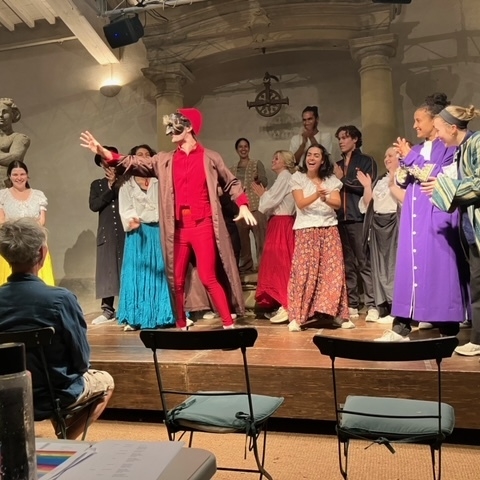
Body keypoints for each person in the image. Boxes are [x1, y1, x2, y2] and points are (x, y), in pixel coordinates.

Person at [81, 108, 257, 330]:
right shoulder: (164, 160)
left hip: (202, 226)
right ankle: (181, 326)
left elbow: (230, 182)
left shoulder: (209, 157)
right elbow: (134, 163)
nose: (168, 130)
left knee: (208, 276)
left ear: (189, 127)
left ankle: (228, 325)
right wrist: (106, 153)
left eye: (174, 125)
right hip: (178, 229)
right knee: (176, 279)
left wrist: (243, 205)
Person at [0, 218, 114, 439]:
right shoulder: (61, 299)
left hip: (7, 393)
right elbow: (81, 361)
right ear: (42, 254)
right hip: (54, 395)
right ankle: (65, 439)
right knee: (106, 381)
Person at [375, 93, 469, 342]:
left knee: (439, 269)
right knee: (409, 269)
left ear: (434, 120)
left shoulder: (449, 148)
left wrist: (410, 158)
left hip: (437, 215)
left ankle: (447, 325)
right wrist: (403, 166)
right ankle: (402, 324)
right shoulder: (415, 148)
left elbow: (439, 176)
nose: (415, 125)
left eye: (419, 120)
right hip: (413, 216)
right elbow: (406, 179)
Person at [429, 104, 480, 355]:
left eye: (438, 129)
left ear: (452, 127)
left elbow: (479, 183)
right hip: (469, 228)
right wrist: (440, 189)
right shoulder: (460, 150)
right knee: (477, 284)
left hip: (477, 226)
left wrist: (445, 187)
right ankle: (478, 340)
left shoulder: (478, 143)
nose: (437, 135)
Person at [287, 144, 352, 332]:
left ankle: (339, 314)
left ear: (323, 160)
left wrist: (324, 198)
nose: (311, 158)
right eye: (309, 155)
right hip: (306, 230)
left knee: (333, 272)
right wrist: (317, 193)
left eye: (316, 155)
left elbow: (337, 204)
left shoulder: (331, 180)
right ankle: (297, 317)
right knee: (304, 273)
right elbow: (300, 204)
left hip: (329, 229)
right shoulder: (297, 178)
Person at [117, 144, 175, 331]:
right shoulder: (127, 185)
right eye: (139, 155)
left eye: (146, 155)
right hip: (138, 234)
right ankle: (135, 317)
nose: (143, 157)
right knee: (138, 273)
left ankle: (167, 314)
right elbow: (125, 209)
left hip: (159, 231)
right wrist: (131, 220)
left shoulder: (161, 182)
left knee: (162, 272)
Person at [334, 125, 378, 321]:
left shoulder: (365, 161)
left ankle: (372, 303)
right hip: (339, 218)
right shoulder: (336, 164)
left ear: (355, 139)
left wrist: (342, 179)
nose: (341, 141)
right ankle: (352, 303)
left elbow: (365, 187)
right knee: (347, 263)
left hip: (358, 218)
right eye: (339, 138)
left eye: (345, 137)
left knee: (364, 261)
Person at [357, 147, 404, 323]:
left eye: (390, 155)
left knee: (394, 266)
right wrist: (368, 186)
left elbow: (403, 200)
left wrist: (394, 180)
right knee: (380, 268)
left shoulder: (404, 177)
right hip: (377, 225)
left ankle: (398, 308)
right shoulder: (381, 180)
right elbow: (368, 204)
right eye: (385, 156)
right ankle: (384, 307)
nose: (386, 158)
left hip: (394, 224)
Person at [252, 150, 296, 324]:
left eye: (276, 158)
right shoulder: (283, 178)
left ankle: (287, 305)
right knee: (277, 264)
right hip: (279, 222)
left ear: (284, 162)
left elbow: (269, 203)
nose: (273, 160)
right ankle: (282, 303)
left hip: (282, 224)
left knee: (282, 264)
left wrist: (263, 195)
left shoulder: (285, 177)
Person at [0, 160, 54, 285]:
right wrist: (28, 223)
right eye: (15, 175)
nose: (19, 178)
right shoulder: (2, 195)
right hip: (11, 245)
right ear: (9, 176)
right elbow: (2, 222)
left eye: (22, 174)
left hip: (35, 245)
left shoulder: (38, 195)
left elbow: (41, 221)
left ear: (27, 175)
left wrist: (15, 222)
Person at [89, 147, 125, 325]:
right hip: (107, 232)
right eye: (104, 160)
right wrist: (109, 187)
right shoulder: (97, 184)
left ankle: (128, 307)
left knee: (127, 267)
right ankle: (108, 310)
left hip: (126, 230)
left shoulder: (126, 181)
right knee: (107, 269)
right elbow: (94, 205)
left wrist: (116, 183)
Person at [229, 138, 268, 274]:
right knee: (243, 241)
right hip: (240, 208)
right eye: (240, 147)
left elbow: (264, 181)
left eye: (246, 146)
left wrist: (258, 179)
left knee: (261, 238)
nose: (243, 149)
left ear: (249, 148)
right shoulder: (232, 168)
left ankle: (263, 266)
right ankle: (246, 267)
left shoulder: (256, 163)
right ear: (237, 149)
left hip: (256, 206)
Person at [0, 98, 31, 187]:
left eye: (4, 112)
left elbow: (15, 157)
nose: (0, 115)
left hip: (5, 183)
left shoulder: (20, 138)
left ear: (13, 114)